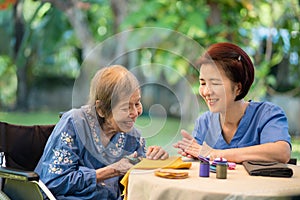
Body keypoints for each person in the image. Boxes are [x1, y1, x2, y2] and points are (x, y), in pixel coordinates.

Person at [35, 65, 169, 200]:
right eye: (125, 107)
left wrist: (154, 161)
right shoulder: (75, 124)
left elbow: (138, 178)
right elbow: (53, 182)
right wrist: (111, 171)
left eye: (137, 103)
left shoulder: (133, 137)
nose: (135, 113)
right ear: (101, 109)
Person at [173, 42, 291, 164]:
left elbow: (282, 152)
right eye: (203, 83)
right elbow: (197, 161)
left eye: (215, 83)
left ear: (238, 88)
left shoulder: (267, 114)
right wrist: (163, 157)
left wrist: (215, 154)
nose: (206, 91)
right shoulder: (205, 122)